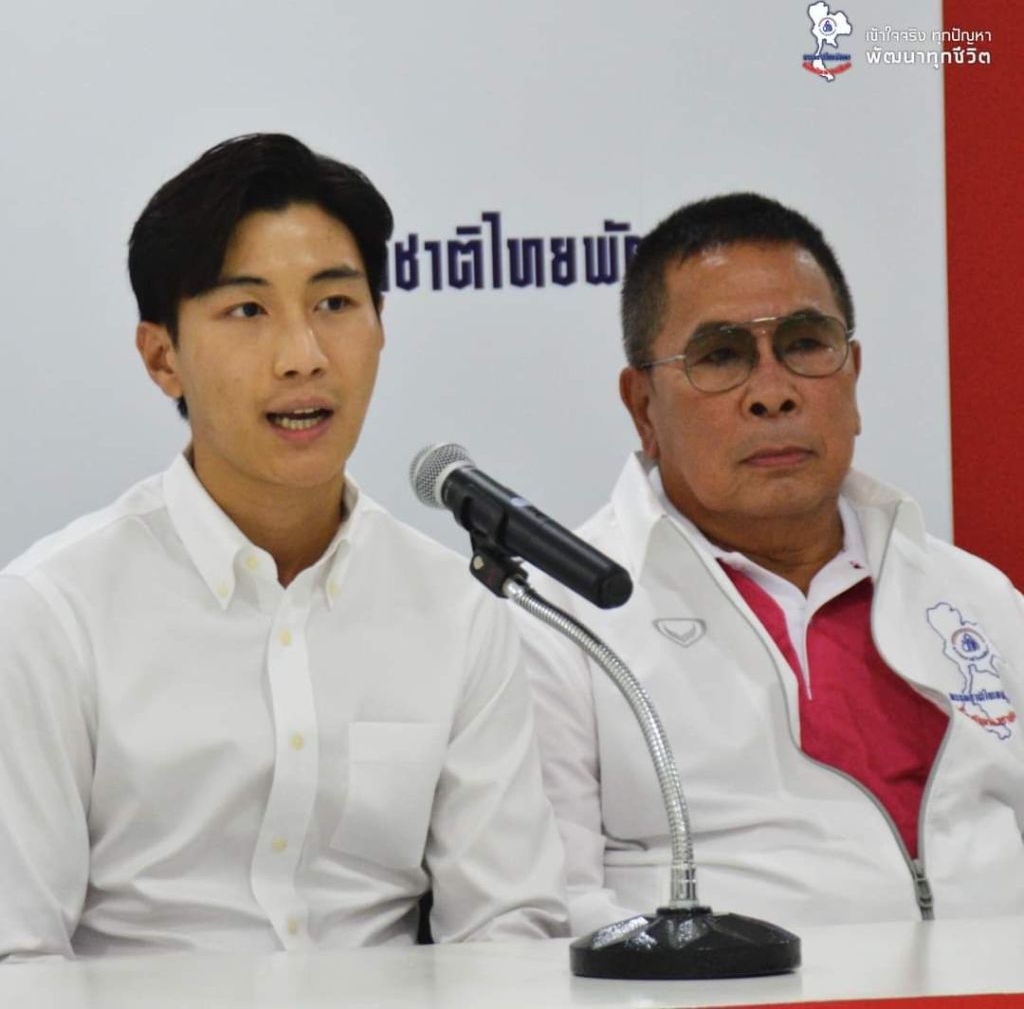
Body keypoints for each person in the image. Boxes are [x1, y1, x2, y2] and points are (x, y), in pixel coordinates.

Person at [0, 133, 567, 960]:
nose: (304, 357)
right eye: (248, 311)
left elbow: (507, 930)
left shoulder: (457, 610)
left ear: (380, 326)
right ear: (162, 358)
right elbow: (16, 958)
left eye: (335, 304)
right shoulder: (52, 615)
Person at [520, 193, 1024, 935]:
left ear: (853, 375)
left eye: (805, 344)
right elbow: (544, 913)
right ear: (643, 407)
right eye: (721, 356)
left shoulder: (977, 596)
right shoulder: (557, 617)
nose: (773, 393)